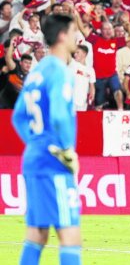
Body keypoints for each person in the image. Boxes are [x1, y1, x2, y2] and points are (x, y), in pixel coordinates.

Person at [12, 14, 81, 265]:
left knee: (37, 234)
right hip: (54, 163)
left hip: (33, 159)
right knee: (70, 234)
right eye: (74, 31)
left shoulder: (37, 71)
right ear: (62, 35)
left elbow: (18, 117)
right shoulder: (59, 71)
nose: (77, 36)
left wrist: (36, 142)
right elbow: (60, 116)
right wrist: (65, 150)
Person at [70, 44, 96, 111]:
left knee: (80, 121)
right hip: (70, 100)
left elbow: (92, 85)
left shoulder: (90, 70)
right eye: (74, 52)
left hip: (82, 102)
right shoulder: (72, 64)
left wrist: (92, 94)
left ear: (84, 54)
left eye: (77, 52)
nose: (75, 54)